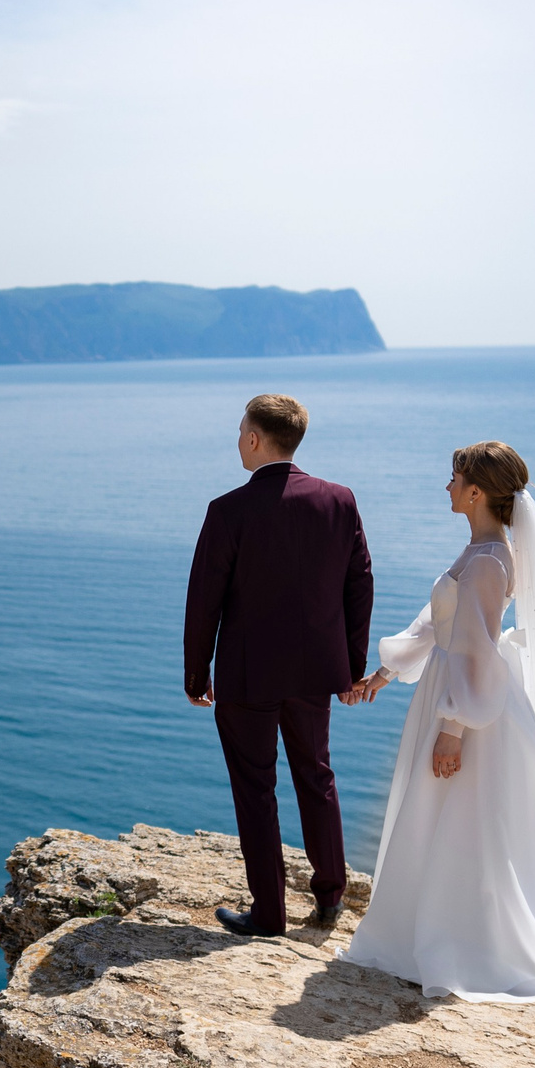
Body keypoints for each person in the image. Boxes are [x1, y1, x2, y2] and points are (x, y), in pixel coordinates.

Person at [339, 442, 535, 1003]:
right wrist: (385, 672)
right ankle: (437, 930)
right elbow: (437, 624)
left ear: (476, 491)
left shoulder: (487, 560)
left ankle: (462, 941)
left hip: (468, 703)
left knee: (463, 816)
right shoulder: (481, 551)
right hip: (453, 690)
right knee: (449, 817)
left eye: (454, 479)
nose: (447, 487)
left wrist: (453, 728)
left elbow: (475, 649)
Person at [182, 394, 375, 938]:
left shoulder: (228, 510)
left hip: (248, 676)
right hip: (316, 672)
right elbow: (360, 584)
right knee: (317, 776)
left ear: (253, 438)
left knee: (255, 790)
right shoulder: (339, 500)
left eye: (240, 431)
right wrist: (350, 666)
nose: (238, 440)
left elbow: (204, 600)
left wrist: (197, 673)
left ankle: (269, 915)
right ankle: (330, 898)